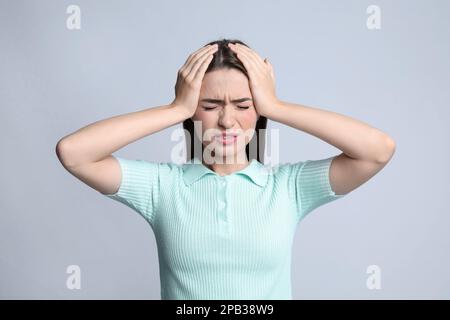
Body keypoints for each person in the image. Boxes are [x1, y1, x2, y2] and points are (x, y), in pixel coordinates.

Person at [55, 38, 396, 300]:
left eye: (243, 105)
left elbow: (377, 150)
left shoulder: (287, 188)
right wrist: (175, 108)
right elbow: (74, 153)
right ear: (193, 110)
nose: (227, 120)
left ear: (258, 110)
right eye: (210, 104)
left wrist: (276, 105)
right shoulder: (163, 188)